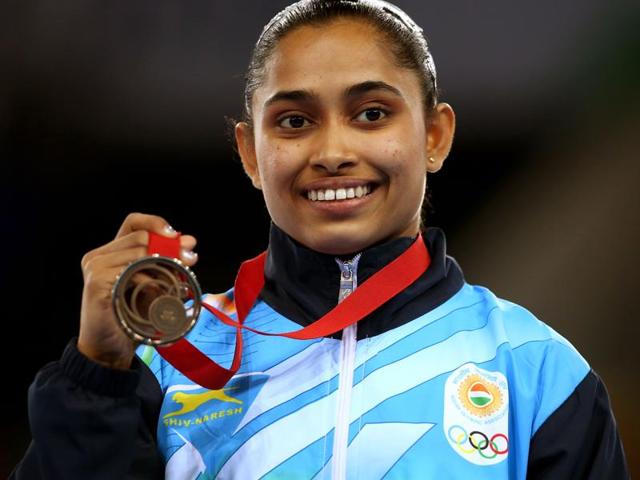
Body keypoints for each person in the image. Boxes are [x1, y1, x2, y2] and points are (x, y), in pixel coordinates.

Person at [11, 0, 629, 478]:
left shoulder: (535, 369)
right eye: (294, 122)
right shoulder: (170, 362)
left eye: (371, 114)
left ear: (436, 137)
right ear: (251, 154)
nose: (333, 152)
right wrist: (99, 373)